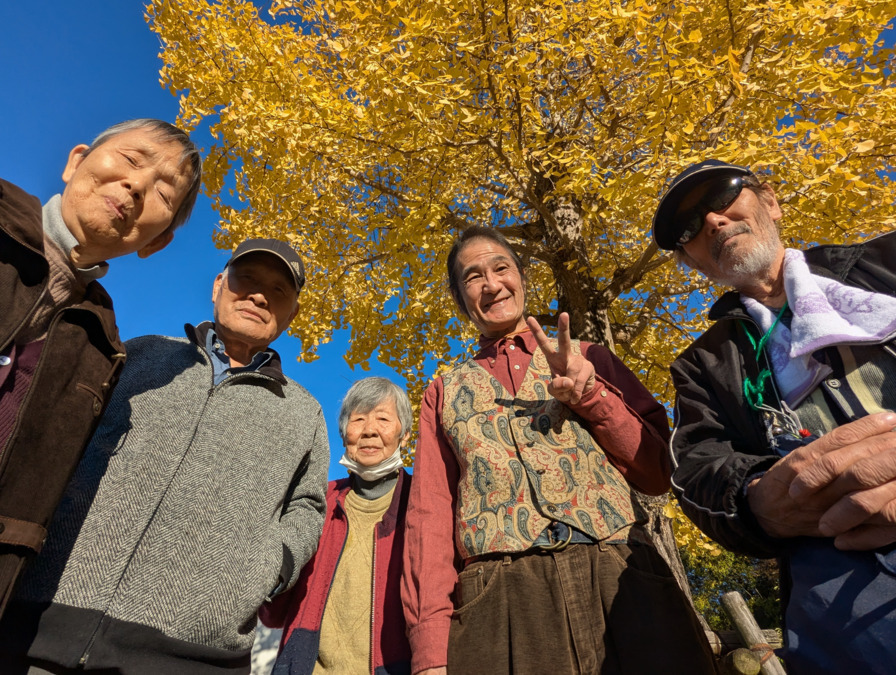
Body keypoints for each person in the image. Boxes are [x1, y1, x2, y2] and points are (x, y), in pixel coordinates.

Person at [1, 238, 330, 674]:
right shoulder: (139, 353)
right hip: (38, 625)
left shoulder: (303, 411)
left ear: (292, 314)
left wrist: (269, 567)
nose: (257, 295)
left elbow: (308, 506)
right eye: (245, 278)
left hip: (195, 657)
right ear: (217, 285)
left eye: (278, 291)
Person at [401, 226, 716, 675]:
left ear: (522, 278)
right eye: (473, 277)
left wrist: (590, 395)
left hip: (622, 579)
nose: (491, 284)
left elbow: (658, 472)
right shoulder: (442, 392)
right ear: (460, 299)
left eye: (501, 268)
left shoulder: (592, 358)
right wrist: (430, 652)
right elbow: (428, 521)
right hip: (501, 601)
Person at [652, 159, 896, 673]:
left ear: (771, 202)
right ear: (694, 263)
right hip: (844, 602)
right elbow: (696, 469)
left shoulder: (887, 262)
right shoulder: (702, 364)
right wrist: (757, 498)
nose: (713, 222)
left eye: (723, 195)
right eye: (688, 229)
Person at [0, 118, 201, 618]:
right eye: (133, 160)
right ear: (75, 162)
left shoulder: (104, 348)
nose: (135, 184)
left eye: (164, 192)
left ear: (156, 243)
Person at [261, 377, 413, 675]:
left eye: (383, 418)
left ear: (405, 434)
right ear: (344, 435)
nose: (369, 430)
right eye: (358, 420)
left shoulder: (424, 505)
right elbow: (273, 612)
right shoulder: (317, 502)